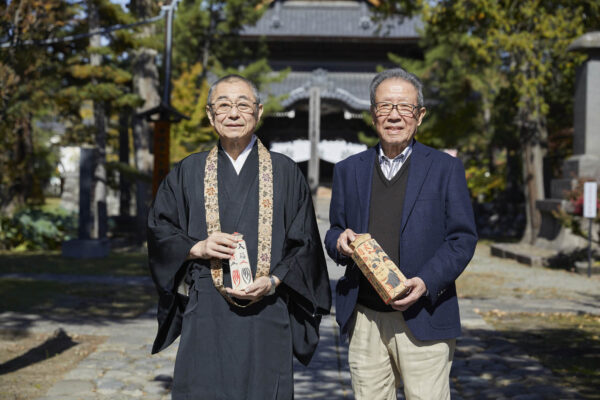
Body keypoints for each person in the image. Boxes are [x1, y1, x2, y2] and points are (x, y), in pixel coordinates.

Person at [148, 74, 331, 400]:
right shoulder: (187, 172)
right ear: (210, 114)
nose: (233, 113)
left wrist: (274, 281)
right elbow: (160, 230)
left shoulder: (285, 172)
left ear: (258, 112)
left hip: (267, 308)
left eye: (242, 105)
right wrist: (196, 246)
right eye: (223, 105)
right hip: (207, 310)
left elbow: (305, 244)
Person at [324, 68, 477, 400]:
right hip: (365, 317)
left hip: (424, 312)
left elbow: (462, 238)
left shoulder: (445, 169)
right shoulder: (349, 170)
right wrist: (338, 240)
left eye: (404, 107)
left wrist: (425, 281)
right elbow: (334, 228)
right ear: (372, 114)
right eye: (385, 107)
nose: (394, 116)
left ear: (419, 116)